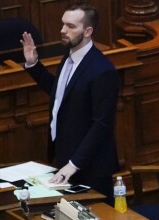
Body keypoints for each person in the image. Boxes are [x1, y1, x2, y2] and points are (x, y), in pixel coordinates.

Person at [21, 4, 119, 197]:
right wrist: (33, 64)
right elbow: (61, 94)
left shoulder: (102, 70)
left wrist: (74, 164)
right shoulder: (69, 57)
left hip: (90, 168)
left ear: (88, 31)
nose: (63, 30)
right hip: (66, 158)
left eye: (70, 26)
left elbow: (102, 124)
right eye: (63, 24)